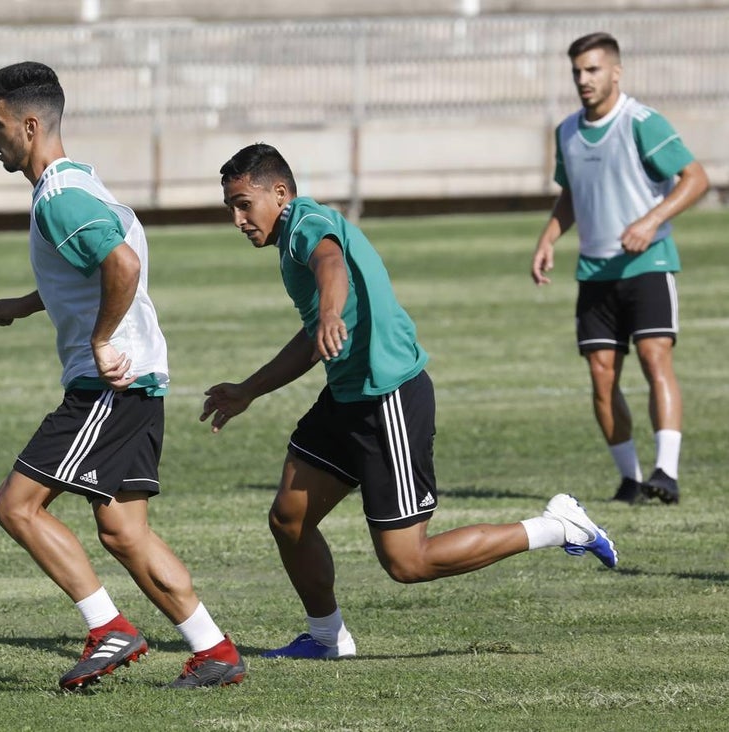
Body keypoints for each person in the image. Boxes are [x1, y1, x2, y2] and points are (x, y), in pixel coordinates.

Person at [203, 143, 617, 660]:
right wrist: (249, 390)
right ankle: (328, 638)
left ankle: (559, 526)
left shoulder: (305, 222)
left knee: (407, 562)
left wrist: (331, 312)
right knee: (289, 518)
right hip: (347, 399)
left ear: (280, 193)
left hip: (388, 398)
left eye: (244, 204)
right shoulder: (288, 241)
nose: (238, 219)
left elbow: (330, 261)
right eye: (230, 208)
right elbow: (315, 337)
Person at [0, 61, 244, 690]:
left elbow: (119, 264)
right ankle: (215, 652)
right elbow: (92, 267)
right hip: (139, 380)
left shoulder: (62, 198)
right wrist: (24, 304)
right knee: (124, 531)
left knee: (18, 507)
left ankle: (108, 629)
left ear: (30, 125)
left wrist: (99, 341)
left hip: (109, 384)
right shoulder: (81, 185)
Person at [531, 32, 709, 505]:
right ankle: (631, 480)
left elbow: (697, 178)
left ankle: (665, 473)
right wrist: (549, 238)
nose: (583, 80)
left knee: (655, 359)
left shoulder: (640, 122)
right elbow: (570, 193)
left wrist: (652, 221)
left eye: (592, 70)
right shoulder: (567, 130)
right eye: (576, 72)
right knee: (601, 374)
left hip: (648, 265)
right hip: (595, 273)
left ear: (615, 71)